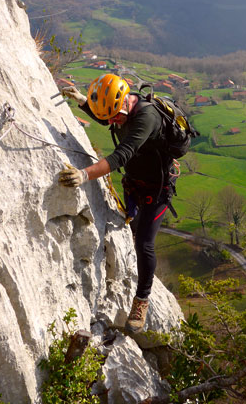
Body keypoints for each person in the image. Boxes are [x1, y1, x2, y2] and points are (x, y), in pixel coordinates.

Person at [60, 73, 177, 333]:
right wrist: (82, 101)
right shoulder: (120, 108)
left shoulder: (146, 117)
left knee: (145, 244)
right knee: (133, 229)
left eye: (116, 117)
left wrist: (85, 174)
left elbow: (121, 155)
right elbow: (106, 117)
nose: (112, 122)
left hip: (157, 189)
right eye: (110, 117)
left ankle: (142, 300)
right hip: (134, 184)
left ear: (124, 104)